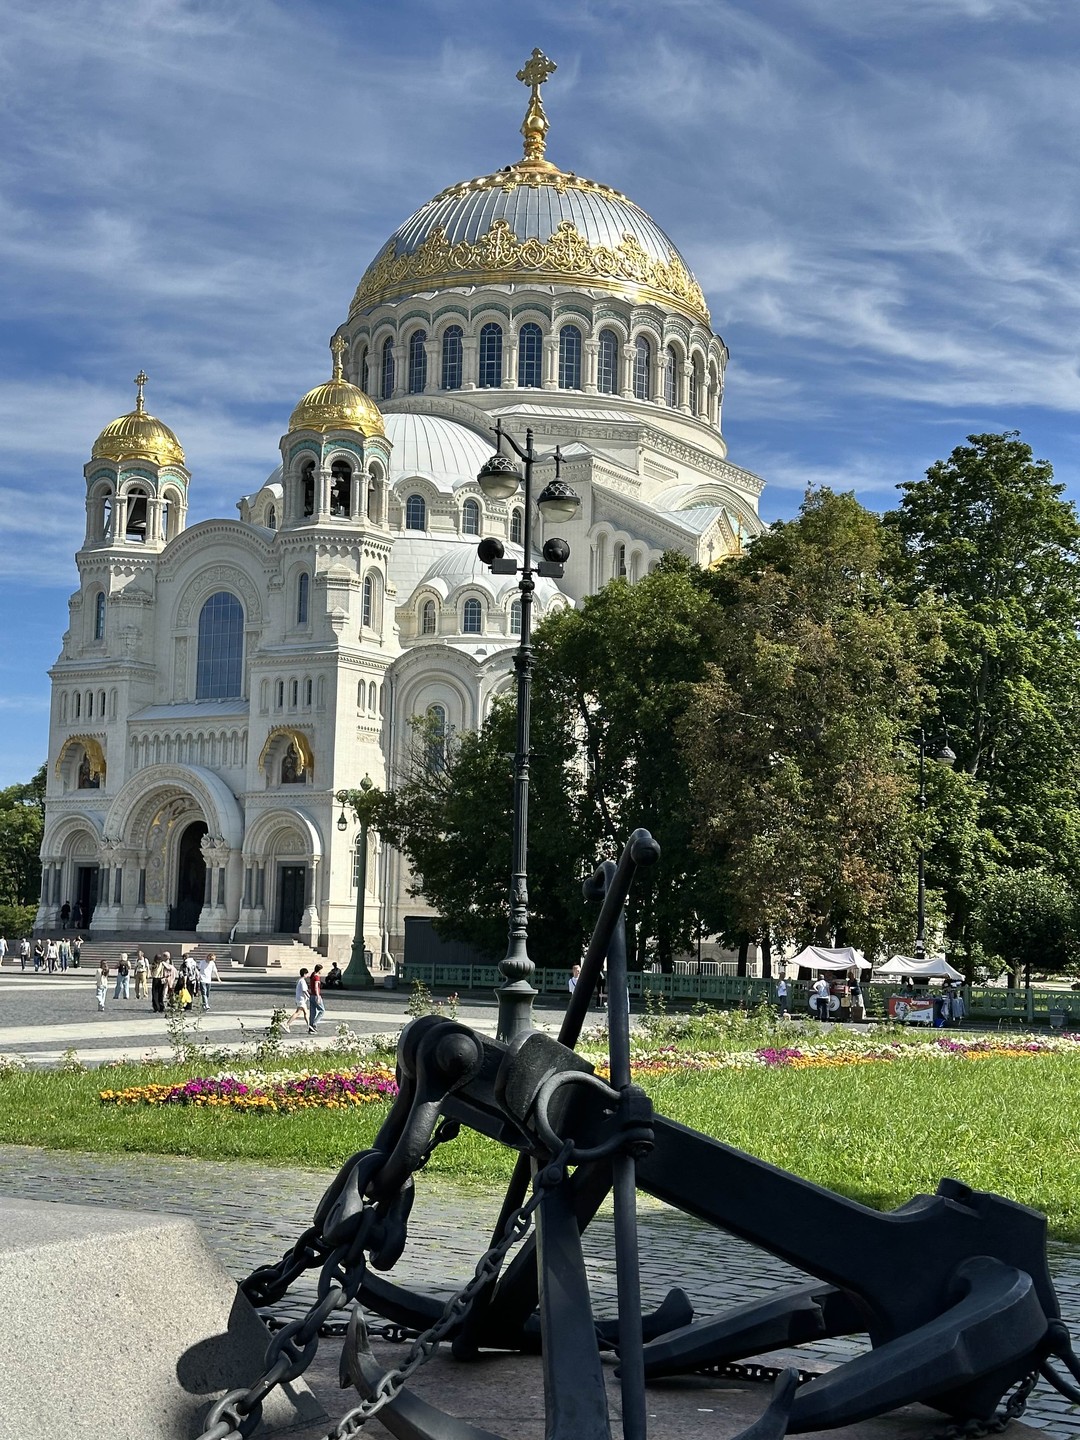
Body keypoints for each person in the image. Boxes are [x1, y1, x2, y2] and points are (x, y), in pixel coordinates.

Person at [308, 964, 326, 1033]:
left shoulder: (312, 975)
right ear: (319, 970)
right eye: (321, 970)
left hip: (312, 995)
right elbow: (316, 987)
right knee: (322, 1011)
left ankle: (311, 1027)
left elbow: (311, 986)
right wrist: (318, 996)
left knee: (312, 1012)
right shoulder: (317, 977)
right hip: (316, 996)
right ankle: (314, 1024)